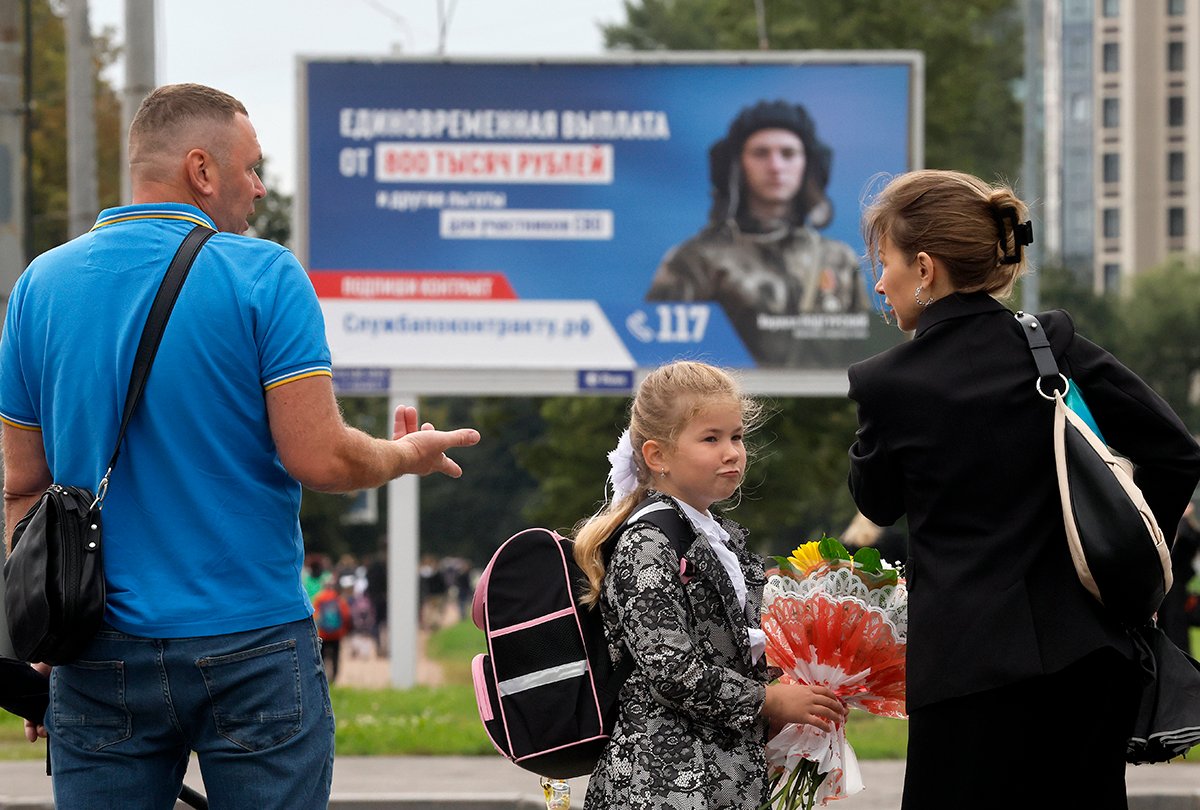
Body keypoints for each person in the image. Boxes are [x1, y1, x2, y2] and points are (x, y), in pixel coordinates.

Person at [0, 83, 480, 809]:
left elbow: (23, 488)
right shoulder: (265, 275)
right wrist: (402, 457)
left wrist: (46, 634)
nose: (258, 188)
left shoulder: (40, 286)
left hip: (97, 652)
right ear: (202, 169)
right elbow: (318, 457)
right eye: (251, 167)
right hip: (252, 644)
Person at [846, 169, 1200, 809]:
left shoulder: (886, 382)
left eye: (885, 262)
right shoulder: (1052, 345)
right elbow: (1176, 453)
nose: (879, 281)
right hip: (1089, 663)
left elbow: (877, 502)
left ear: (924, 268)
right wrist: (1133, 573)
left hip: (964, 672)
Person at [573, 360, 846, 809]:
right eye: (711, 439)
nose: (732, 452)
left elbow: (737, 649)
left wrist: (807, 692)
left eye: (736, 436)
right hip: (661, 782)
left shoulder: (714, 535)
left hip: (721, 776)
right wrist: (768, 701)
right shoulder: (648, 540)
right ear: (657, 456)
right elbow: (671, 669)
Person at [646, 100, 867, 366]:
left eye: (788, 153)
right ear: (738, 164)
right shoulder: (696, 259)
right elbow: (659, 359)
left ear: (807, 164)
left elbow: (863, 352)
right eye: (761, 153)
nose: (775, 166)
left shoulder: (837, 258)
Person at [311, 577, 353, 684]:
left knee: (322, 657)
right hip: (336, 634)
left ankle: (323, 678)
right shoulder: (337, 598)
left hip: (323, 634)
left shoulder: (319, 598)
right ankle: (334, 678)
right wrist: (344, 629)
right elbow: (346, 614)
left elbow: (315, 615)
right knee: (335, 656)